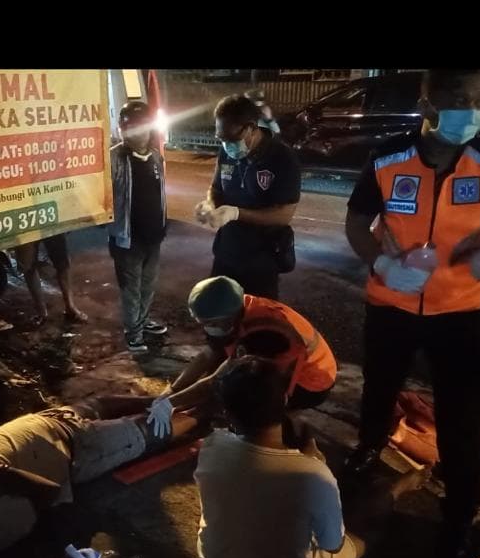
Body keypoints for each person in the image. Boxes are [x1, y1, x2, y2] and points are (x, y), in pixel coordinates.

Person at [344, 67, 480, 558]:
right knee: (380, 387)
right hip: (391, 303)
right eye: (462, 99)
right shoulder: (388, 157)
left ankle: (458, 520)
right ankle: (367, 448)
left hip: (458, 311)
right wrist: (382, 264)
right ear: (428, 105)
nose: (475, 110)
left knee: (462, 419)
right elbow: (357, 222)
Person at [195, 356, 404, 558]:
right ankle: (398, 489)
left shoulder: (212, 446)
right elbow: (332, 545)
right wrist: (315, 464)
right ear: (285, 399)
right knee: (366, 527)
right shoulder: (313, 474)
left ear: (226, 412)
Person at [0, 394, 202, 557]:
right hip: (79, 450)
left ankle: (177, 396)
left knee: (106, 402)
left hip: (50, 420)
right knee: (156, 428)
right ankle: (208, 405)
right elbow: (47, 492)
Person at [144, 275, 337, 441]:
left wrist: (170, 404)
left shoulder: (266, 333)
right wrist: (172, 391)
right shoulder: (232, 311)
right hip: (281, 362)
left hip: (311, 382)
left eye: (212, 323)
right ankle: (206, 412)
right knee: (221, 379)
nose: (208, 328)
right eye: (203, 323)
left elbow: (216, 380)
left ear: (230, 316)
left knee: (241, 393)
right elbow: (208, 354)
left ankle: (282, 430)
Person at [195, 94, 301, 300]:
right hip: (226, 254)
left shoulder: (281, 158)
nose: (227, 145)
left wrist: (236, 213)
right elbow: (216, 189)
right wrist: (209, 206)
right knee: (218, 311)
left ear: (251, 128)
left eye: (232, 139)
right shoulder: (226, 152)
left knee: (257, 316)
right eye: (221, 139)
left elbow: (283, 214)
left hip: (261, 261)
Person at [110, 100, 169, 353]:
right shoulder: (113, 158)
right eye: (128, 128)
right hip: (127, 239)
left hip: (153, 237)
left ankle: (142, 321)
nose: (134, 134)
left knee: (147, 286)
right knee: (131, 290)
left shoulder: (155, 157)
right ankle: (133, 333)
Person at [16, 233, 88, 327]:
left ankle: (70, 306)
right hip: (25, 229)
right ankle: (41, 312)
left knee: (62, 262)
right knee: (28, 266)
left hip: (49, 226)